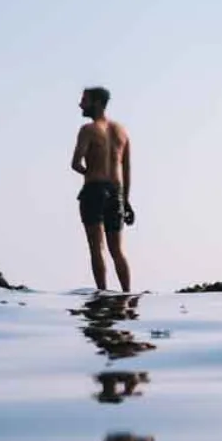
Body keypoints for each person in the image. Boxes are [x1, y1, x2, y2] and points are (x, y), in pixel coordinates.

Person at [70, 86, 132, 292]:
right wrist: (126, 200)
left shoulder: (87, 130)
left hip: (94, 191)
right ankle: (126, 294)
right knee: (117, 250)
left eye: (84, 100)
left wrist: (91, 173)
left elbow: (76, 163)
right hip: (117, 193)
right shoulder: (122, 132)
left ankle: (102, 294)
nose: (80, 104)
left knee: (97, 248)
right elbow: (127, 170)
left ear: (96, 103)